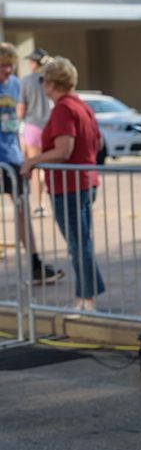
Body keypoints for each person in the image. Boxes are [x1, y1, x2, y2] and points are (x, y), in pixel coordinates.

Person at [21, 57, 102, 309]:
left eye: (44, 80)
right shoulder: (81, 105)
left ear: (52, 83)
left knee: (79, 244)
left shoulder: (63, 108)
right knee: (82, 242)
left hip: (70, 186)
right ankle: (89, 293)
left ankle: (85, 299)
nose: (42, 84)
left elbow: (63, 150)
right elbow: (97, 143)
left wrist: (32, 162)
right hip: (85, 182)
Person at [0, 42, 63, 286]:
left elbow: (19, 120)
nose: (7, 71)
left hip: (13, 157)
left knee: (22, 211)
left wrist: (25, 154)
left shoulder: (16, 84)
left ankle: (36, 264)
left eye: (10, 66)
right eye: (3, 67)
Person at [17, 47, 52, 217]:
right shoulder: (51, 79)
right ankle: (44, 201)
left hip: (32, 127)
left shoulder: (27, 81)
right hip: (49, 127)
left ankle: (39, 204)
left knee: (35, 166)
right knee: (46, 166)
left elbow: (21, 109)